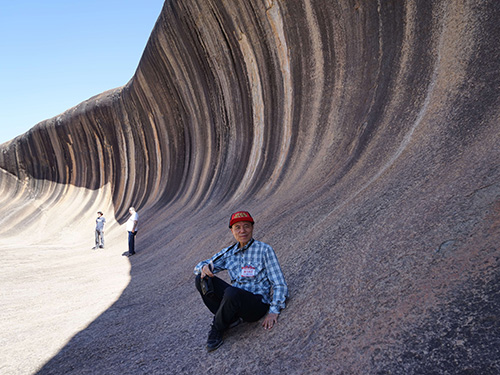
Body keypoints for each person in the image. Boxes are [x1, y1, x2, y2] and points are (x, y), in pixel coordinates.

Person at [194, 211, 288, 352]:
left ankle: (217, 328)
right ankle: (231, 319)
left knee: (232, 293)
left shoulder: (264, 250)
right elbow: (200, 266)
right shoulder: (229, 252)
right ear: (232, 231)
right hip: (236, 300)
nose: (242, 231)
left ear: (252, 228)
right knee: (201, 279)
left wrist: (274, 310)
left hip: (256, 304)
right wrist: (204, 268)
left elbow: (279, 283)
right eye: (237, 227)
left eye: (246, 226)